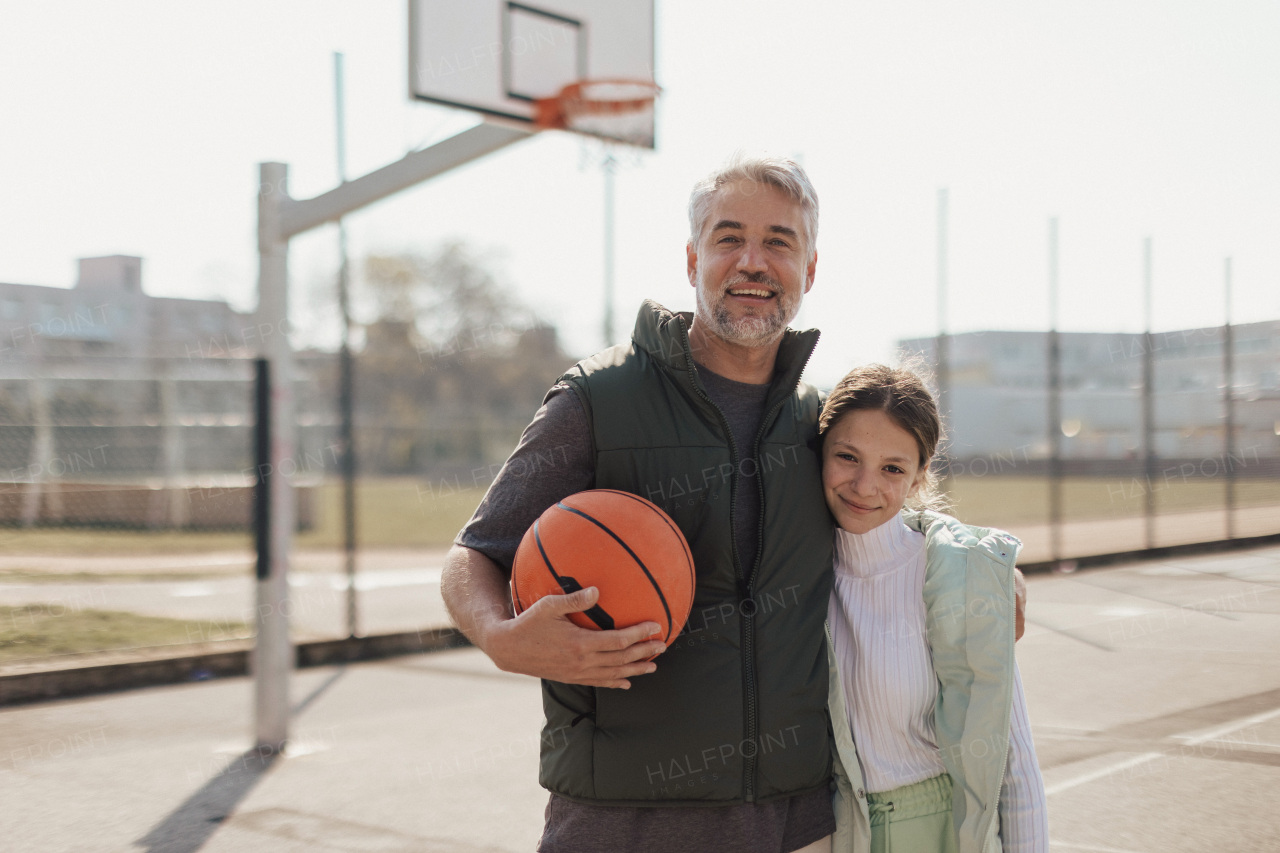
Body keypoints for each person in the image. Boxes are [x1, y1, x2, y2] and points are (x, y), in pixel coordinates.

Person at [442, 154, 839, 853]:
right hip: (623, 819)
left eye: (780, 241)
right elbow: (474, 555)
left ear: (809, 269)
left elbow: (898, 517)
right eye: (728, 237)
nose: (753, 260)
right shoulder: (599, 398)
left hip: (796, 815)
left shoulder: (823, 419)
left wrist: (987, 571)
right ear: (692, 260)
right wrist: (501, 638)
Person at [819, 364, 1048, 853]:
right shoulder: (794, 573)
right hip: (834, 832)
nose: (864, 485)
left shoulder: (962, 577)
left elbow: (1015, 765)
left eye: (892, 468)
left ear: (920, 477)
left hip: (942, 830)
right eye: (847, 456)